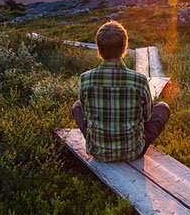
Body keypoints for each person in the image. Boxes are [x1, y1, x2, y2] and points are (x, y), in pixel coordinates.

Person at [72, 21, 170, 162]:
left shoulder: (85, 78)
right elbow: (147, 117)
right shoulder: (139, 80)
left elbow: (87, 114)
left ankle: (99, 141)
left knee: (77, 106)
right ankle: (131, 142)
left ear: (99, 49)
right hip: (133, 151)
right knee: (162, 108)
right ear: (124, 47)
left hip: (98, 152)